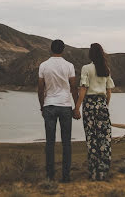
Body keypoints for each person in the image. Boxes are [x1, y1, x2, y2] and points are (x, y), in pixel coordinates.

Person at [38, 39, 78, 182]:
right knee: (66, 143)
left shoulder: (43, 66)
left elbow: (40, 88)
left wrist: (42, 106)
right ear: (63, 50)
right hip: (65, 106)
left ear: (51, 49)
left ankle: (50, 176)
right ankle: (66, 177)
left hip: (49, 105)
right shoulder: (69, 66)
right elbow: (73, 87)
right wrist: (76, 107)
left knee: (50, 142)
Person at [73, 42, 115, 181]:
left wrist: (77, 107)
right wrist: (105, 105)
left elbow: (83, 89)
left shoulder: (86, 68)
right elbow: (109, 92)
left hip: (89, 106)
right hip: (102, 105)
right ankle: (103, 172)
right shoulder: (106, 69)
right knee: (105, 139)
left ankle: (93, 173)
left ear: (90, 54)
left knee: (92, 139)